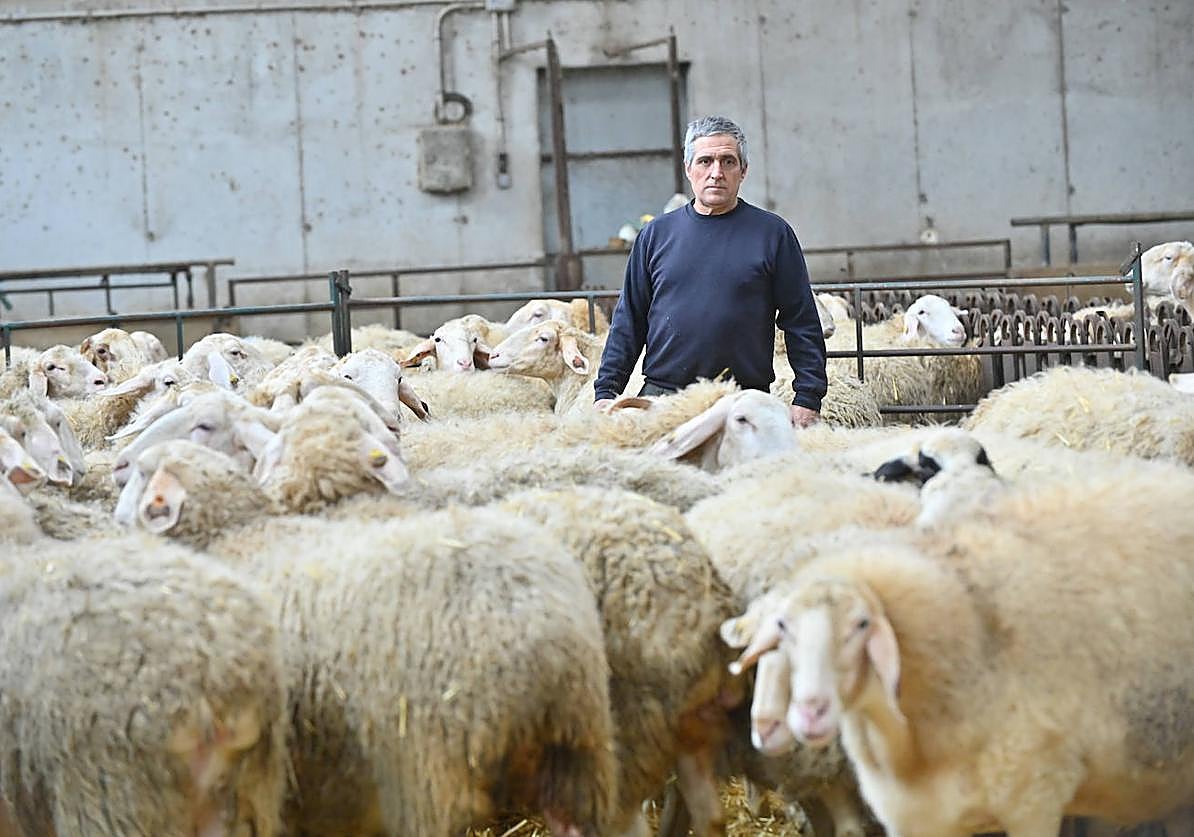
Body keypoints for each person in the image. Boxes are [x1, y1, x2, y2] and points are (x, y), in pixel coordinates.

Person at [592, 115, 827, 427]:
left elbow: (801, 320)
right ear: (688, 169)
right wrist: (607, 390)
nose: (716, 173)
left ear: (743, 170)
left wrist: (808, 397)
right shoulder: (655, 235)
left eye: (728, 161)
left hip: (742, 403)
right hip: (665, 399)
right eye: (705, 161)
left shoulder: (773, 234)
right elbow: (629, 319)